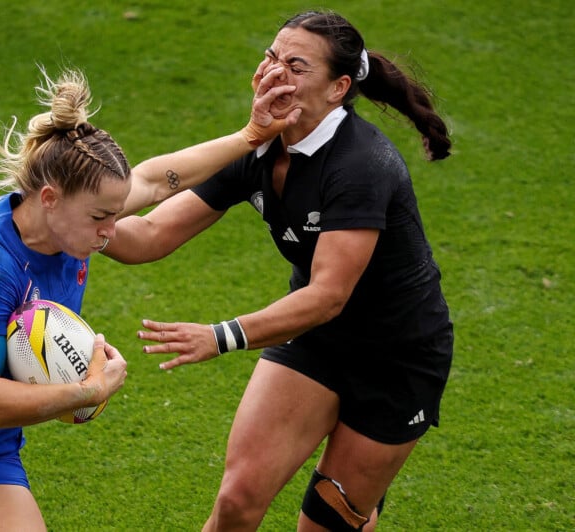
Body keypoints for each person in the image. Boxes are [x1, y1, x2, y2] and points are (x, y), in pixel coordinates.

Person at [0, 66, 298, 531]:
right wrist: (89, 390)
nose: (111, 233)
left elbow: (152, 180)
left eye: (113, 214)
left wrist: (250, 137)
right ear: (49, 198)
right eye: (100, 218)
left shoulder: (72, 222)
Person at [104, 9, 454, 532]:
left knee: (326, 524)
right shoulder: (260, 146)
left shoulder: (361, 165)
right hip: (316, 339)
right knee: (237, 500)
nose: (274, 73)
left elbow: (328, 295)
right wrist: (82, 224)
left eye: (295, 65)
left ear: (338, 88)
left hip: (396, 359)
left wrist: (219, 337)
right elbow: (152, 235)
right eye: (271, 56)